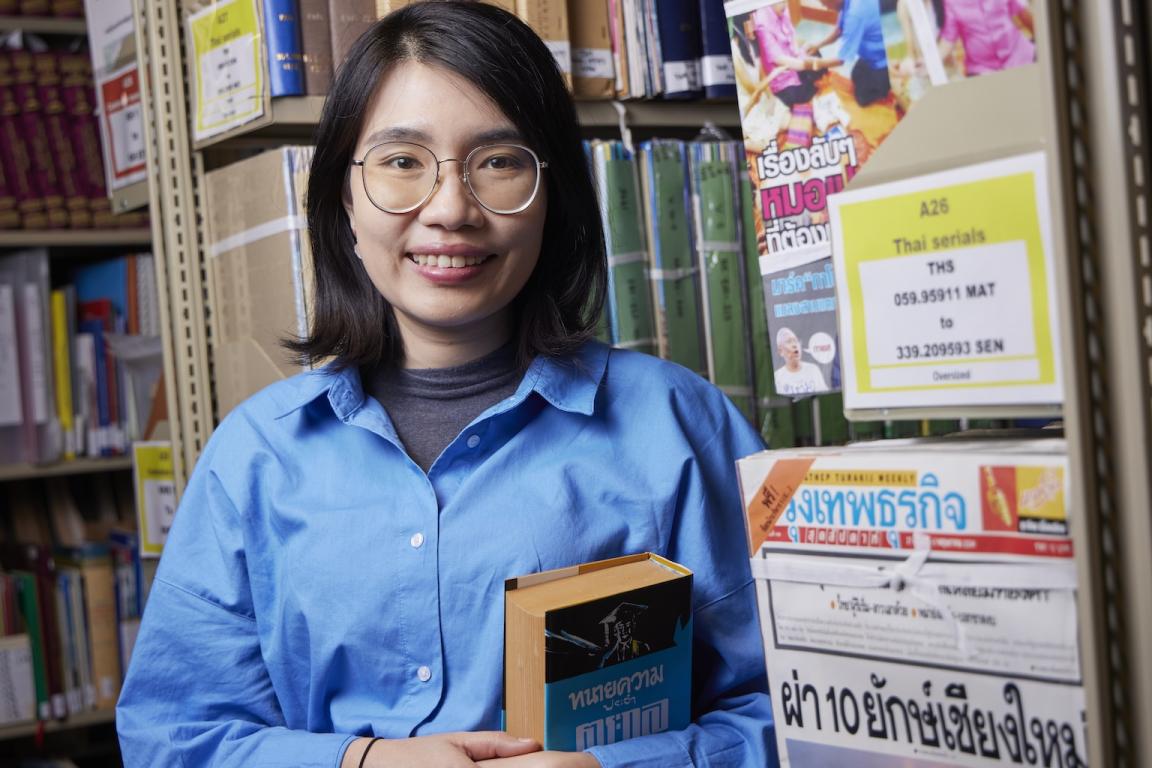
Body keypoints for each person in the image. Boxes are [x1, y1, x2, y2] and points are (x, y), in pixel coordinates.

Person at [115, 2, 777, 767]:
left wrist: (614, 767)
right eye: (402, 162)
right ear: (343, 200)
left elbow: (786, 710)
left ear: (552, 194)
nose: (452, 210)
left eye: (498, 161)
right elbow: (174, 736)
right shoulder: (254, 457)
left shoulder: (678, 427)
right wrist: (361, 763)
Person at [806, 0, 893, 106]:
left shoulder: (855, 14)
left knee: (862, 98)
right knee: (856, 75)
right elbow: (839, 31)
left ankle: (886, 82)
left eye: (825, 4)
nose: (826, 8)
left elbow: (841, 60)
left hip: (883, 61)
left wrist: (816, 63)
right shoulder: (846, 4)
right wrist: (817, 45)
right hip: (870, 54)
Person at [937, 0, 1035, 77]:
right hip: (982, 69)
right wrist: (932, 62)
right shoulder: (951, 2)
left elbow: (1024, 14)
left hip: (1019, 57)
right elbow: (948, 37)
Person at [774, 327, 829, 395]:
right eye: (789, 341)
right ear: (780, 351)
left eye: (796, 341)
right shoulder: (777, 377)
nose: (794, 345)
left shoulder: (813, 370)